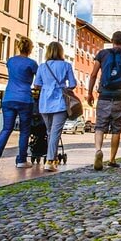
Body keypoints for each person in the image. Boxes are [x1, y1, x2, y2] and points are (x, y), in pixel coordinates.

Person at [87, 31, 121, 170]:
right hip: (119, 96)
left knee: (100, 126)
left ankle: (98, 151)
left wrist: (90, 93)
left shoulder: (102, 54)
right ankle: (112, 159)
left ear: (112, 40)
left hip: (104, 96)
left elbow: (94, 74)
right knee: (116, 129)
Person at [0, 39, 38, 169]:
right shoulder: (32, 63)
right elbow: (38, 81)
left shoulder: (10, 61)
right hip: (24, 99)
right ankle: (22, 160)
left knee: (6, 128)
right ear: (30, 49)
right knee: (24, 131)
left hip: (8, 97)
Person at [32, 41, 76, 172]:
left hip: (45, 102)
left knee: (50, 131)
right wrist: (63, 87)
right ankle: (50, 160)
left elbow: (36, 85)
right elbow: (73, 83)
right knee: (55, 132)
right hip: (60, 102)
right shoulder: (66, 65)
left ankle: (52, 157)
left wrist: (47, 85)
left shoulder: (42, 66)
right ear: (61, 52)